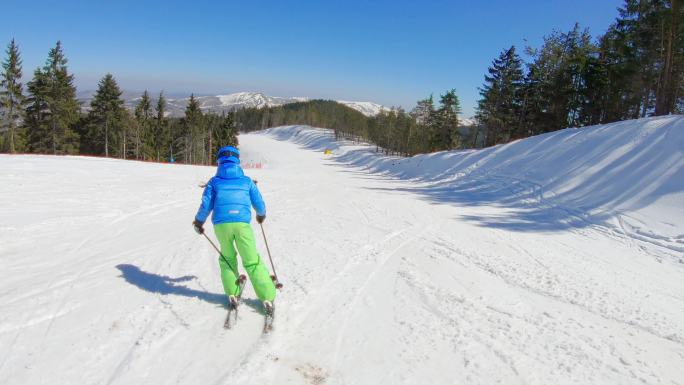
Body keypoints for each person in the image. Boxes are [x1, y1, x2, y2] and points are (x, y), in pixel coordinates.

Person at [192, 145, 276, 313]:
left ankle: (232, 292)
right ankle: (267, 295)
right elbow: (259, 202)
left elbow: (206, 205)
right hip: (242, 225)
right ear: (237, 160)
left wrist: (199, 222)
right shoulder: (247, 181)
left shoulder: (214, 182)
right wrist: (261, 215)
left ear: (219, 161)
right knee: (251, 260)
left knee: (227, 258)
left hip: (222, 226)